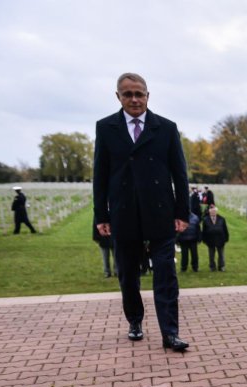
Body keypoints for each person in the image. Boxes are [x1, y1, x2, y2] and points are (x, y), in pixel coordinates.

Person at [93, 72, 191, 352]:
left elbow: (179, 174)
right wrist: (101, 215)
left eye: (139, 94)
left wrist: (182, 212)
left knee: (166, 275)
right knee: (127, 275)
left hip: (160, 213)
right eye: (128, 94)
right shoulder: (106, 127)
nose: (134, 99)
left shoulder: (167, 128)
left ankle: (170, 333)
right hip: (123, 214)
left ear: (148, 95)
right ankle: (135, 320)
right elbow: (100, 174)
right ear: (118, 97)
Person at [201, 204, 229, 271]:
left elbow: (225, 229)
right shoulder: (205, 220)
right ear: (209, 212)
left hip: (220, 239)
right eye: (212, 211)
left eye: (214, 211)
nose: (213, 212)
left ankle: (221, 266)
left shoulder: (222, 219)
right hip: (210, 240)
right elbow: (204, 231)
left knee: (221, 254)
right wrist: (204, 239)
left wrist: (226, 238)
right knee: (211, 255)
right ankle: (212, 267)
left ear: (216, 211)